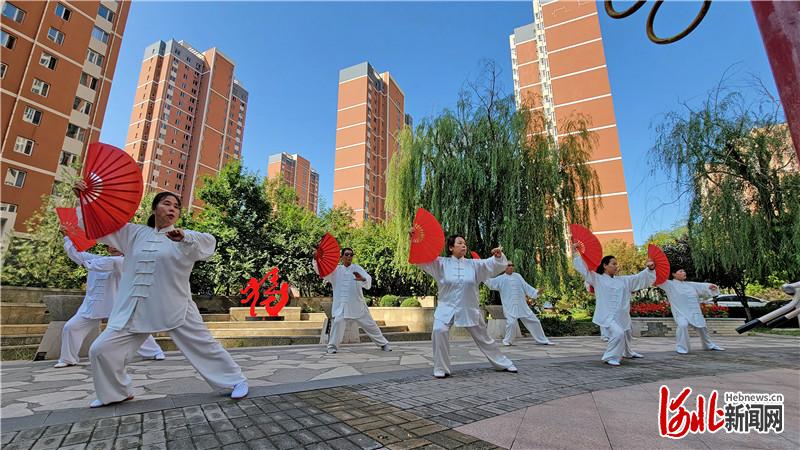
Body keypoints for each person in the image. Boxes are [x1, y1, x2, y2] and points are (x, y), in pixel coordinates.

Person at [73, 184, 248, 407]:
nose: (172, 208)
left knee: (203, 345)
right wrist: (84, 199)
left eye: (176, 206)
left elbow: (208, 243)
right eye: (166, 203)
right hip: (135, 307)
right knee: (101, 350)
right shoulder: (133, 233)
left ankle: (235, 381)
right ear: (155, 208)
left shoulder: (185, 239)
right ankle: (116, 392)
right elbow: (97, 227)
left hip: (175, 305)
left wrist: (184, 237)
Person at [413, 234, 517, 378]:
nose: (464, 245)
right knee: (438, 330)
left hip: (469, 308)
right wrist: (415, 240)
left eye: (464, 243)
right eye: (460, 243)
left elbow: (490, 265)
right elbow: (422, 259)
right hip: (446, 307)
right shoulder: (441, 263)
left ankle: (503, 363)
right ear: (451, 247)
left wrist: (498, 258)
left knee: (484, 338)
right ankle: (441, 368)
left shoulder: (473, 265)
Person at [55, 236, 164, 368]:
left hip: (117, 305)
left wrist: (83, 261)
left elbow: (97, 262)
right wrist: (69, 236)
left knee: (135, 328)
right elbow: (76, 254)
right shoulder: (98, 259)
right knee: (71, 327)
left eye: (116, 244)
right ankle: (68, 359)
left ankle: (154, 352)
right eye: (109, 245)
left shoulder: (123, 262)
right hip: (92, 306)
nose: (112, 247)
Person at [572, 244, 656, 366]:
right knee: (618, 333)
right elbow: (583, 269)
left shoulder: (623, 280)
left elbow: (639, 278)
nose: (616, 266)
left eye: (616, 264)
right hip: (607, 315)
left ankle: (628, 352)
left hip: (622, 314)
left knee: (626, 333)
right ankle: (610, 357)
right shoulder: (597, 278)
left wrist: (650, 269)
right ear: (605, 265)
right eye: (613, 264)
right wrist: (576, 252)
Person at [313, 247, 390, 354]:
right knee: (338, 322)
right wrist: (315, 259)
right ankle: (332, 346)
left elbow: (367, 279)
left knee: (370, 325)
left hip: (357, 304)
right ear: (342, 257)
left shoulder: (357, 268)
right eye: (347, 254)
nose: (349, 256)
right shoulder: (336, 271)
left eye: (351, 255)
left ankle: (383, 344)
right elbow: (321, 271)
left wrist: (362, 279)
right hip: (342, 306)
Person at [657, 267, 725, 354]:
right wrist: (651, 268)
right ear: (674, 274)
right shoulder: (669, 285)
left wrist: (710, 287)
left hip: (694, 312)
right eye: (681, 271)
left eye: (684, 271)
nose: (684, 272)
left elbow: (702, 287)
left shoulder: (690, 285)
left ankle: (709, 345)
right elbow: (657, 280)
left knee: (702, 328)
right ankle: (681, 347)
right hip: (680, 313)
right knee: (683, 325)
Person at [484, 262, 554, 346]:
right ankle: (507, 341)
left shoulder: (518, 276)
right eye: (509, 265)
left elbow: (526, 286)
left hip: (522, 306)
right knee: (511, 323)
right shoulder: (500, 278)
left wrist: (536, 292)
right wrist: (482, 274)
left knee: (535, 321)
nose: (511, 267)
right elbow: (490, 283)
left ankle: (543, 340)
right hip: (509, 306)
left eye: (512, 265)